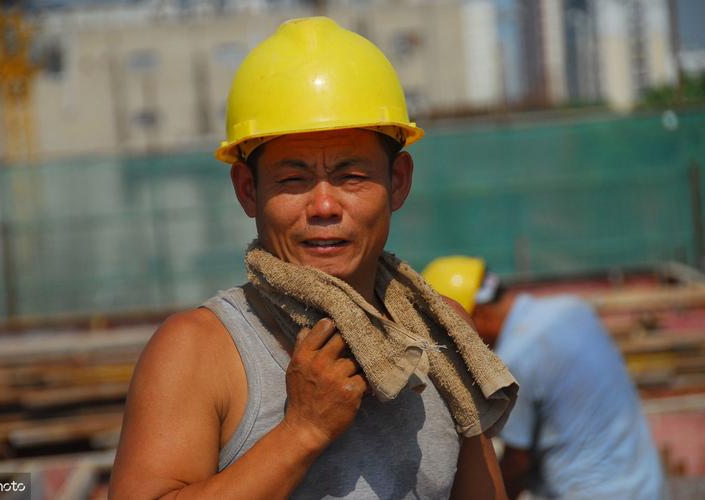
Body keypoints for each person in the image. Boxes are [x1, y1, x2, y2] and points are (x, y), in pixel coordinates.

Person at [109, 17, 518, 499]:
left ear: (399, 181)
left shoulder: (440, 332)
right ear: (247, 190)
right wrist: (301, 432)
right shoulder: (200, 351)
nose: (324, 207)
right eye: (293, 179)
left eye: (351, 175)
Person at [423, 256, 668, 500]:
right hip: (646, 484)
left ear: (474, 315)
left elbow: (517, 462)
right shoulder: (572, 309)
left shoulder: (517, 357)